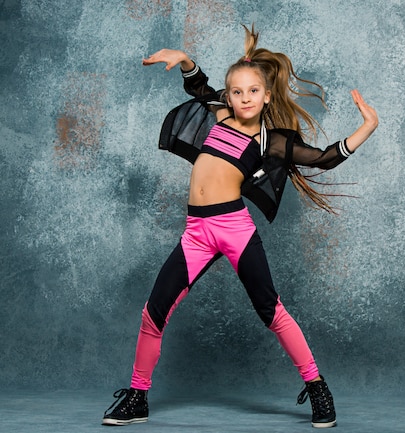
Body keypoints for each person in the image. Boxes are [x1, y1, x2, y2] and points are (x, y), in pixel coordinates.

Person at [102, 25, 378, 429]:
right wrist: (184, 59)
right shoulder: (220, 113)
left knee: (271, 310)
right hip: (196, 232)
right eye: (237, 92)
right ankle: (138, 396)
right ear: (229, 96)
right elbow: (199, 88)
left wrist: (366, 128)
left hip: (234, 228)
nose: (244, 98)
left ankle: (317, 387)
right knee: (153, 311)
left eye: (253, 91)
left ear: (266, 96)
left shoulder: (272, 140)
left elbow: (322, 158)